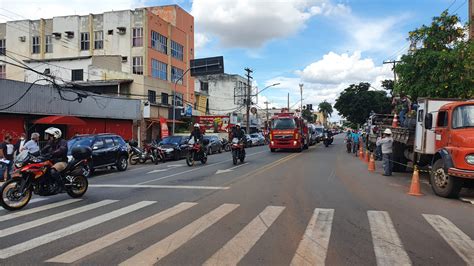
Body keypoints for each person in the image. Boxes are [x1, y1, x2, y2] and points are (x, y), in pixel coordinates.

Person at [41, 127, 68, 192]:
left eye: (50, 135)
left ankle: (61, 186)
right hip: (52, 161)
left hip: (61, 161)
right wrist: (33, 153)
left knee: (53, 171)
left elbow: (61, 149)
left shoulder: (63, 142)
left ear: (56, 135)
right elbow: (44, 149)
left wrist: (52, 153)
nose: (49, 137)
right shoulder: (50, 142)